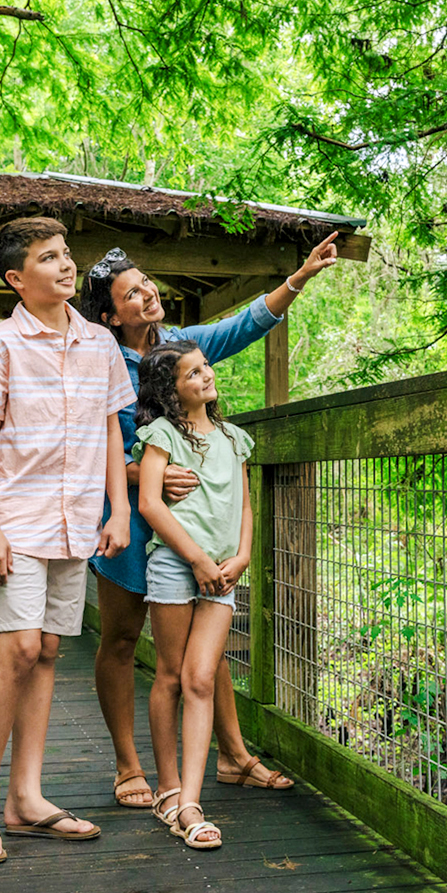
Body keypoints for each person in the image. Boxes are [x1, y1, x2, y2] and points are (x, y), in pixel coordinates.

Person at [78, 232, 340, 808]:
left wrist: (298, 279)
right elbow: (81, 446)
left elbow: (241, 326)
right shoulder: (97, 361)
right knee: (121, 639)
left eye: (147, 283)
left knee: (206, 643)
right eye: (131, 294)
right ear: (108, 315)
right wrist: (138, 475)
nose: (148, 295)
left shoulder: (179, 346)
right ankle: (129, 766)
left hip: (195, 524)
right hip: (132, 520)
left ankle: (234, 755)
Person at [0, 216, 136, 866]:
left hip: (79, 520)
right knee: (20, 649)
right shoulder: (1, 345)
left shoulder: (100, 345)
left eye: (66, 255)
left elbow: (114, 432)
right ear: (16, 279)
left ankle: (26, 798)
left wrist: (119, 512)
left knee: (52, 649)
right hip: (20, 519)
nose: (64, 265)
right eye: (48, 258)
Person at [133, 341, 256, 849]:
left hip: (223, 574)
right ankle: (168, 787)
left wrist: (242, 555)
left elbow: (245, 505)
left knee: (201, 678)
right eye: (191, 374)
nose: (205, 376)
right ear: (171, 391)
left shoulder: (233, 437)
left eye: (205, 367)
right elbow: (150, 504)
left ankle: (191, 803)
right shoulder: (163, 434)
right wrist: (197, 559)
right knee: (170, 675)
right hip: (176, 565)